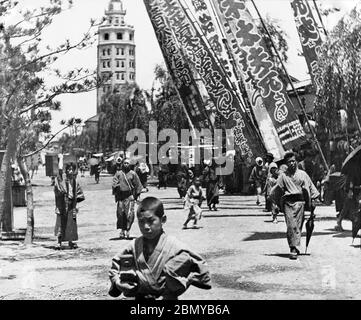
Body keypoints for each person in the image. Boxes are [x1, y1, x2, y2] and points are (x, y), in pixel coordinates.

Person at [108, 197, 211, 300]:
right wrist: (118, 282)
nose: (146, 226)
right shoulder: (134, 245)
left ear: (163, 219)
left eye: (151, 221)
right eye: (141, 222)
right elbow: (115, 267)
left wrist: (184, 282)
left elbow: (202, 268)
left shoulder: (174, 245)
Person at [271, 152, 319, 260]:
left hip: (300, 203)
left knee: (298, 226)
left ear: (296, 161)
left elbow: (311, 187)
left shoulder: (302, 174)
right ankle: (292, 248)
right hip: (288, 203)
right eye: (289, 162)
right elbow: (276, 189)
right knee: (291, 225)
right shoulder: (283, 176)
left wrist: (314, 200)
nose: (292, 163)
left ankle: (295, 245)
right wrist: (275, 203)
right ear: (286, 164)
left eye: (293, 161)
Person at [53, 163, 85, 250]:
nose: (70, 171)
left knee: (71, 224)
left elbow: (78, 193)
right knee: (60, 223)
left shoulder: (75, 181)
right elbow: (58, 187)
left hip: (71, 204)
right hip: (62, 204)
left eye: (72, 169)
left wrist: (76, 203)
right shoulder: (62, 179)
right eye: (68, 169)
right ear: (66, 170)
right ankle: (59, 242)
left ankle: (71, 242)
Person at [112, 158, 143, 239]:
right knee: (120, 213)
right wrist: (117, 186)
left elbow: (138, 185)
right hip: (121, 196)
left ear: (130, 165)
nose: (126, 164)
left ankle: (128, 230)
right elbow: (114, 182)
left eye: (127, 163)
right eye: (124, 163)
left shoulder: (133, 174)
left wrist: (136, 196)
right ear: (122, 164)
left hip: (130, 196)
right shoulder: (118, 173)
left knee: (129, 214)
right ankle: (122, 230)